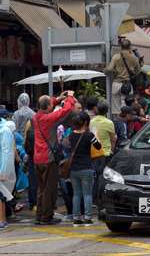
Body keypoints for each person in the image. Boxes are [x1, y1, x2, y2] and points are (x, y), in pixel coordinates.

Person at [33, 90, 75, 226]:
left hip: (37, 159)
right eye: (52, 103)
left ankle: (39, 216)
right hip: (48, 159)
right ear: (48, 107)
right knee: (49, 190)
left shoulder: (36, 117)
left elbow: (46, 105)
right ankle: (46, 217)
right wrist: (69, 97)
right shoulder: (49, 119)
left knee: (41, 190)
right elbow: (66, 110)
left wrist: (57, 99)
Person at [69, 111, 102, 225]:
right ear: (86, 122)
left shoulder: (71, 134)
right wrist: (96, 135)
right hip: (86, 168)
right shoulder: (89, 135)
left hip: (73, 168)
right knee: (87, 194)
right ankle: (88, 217)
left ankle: (76, 218)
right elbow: (98, 147)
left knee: (76, 194)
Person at [104, 39, 141, 117]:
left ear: (121, 47)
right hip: (127, 85)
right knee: (126, 108)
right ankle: (125, 126)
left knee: (117, 110)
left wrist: (104, 71)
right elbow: (137, 72)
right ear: (130, 47)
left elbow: (110, 69)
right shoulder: (134, 58)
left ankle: (118, 123)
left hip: (116, 84)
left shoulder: (116, 57)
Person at [91, 101, 116, 200]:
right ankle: (100, 197)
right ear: (107, 111)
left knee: (95, 176)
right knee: (102, 175)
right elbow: (113, 139)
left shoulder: (92, 122)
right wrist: (112, 151)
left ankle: (94, 198)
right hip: (105, 152)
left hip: (94, 153)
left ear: (96, 110)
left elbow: (93, 136)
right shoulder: (109, 123)